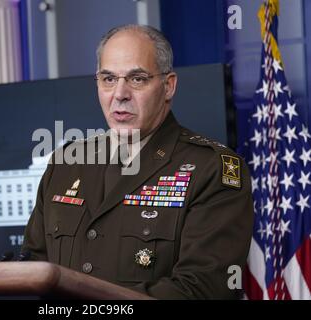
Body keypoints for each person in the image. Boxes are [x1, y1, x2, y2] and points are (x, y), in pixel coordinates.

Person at [21, 24, 254, 299]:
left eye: (137, 79)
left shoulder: (213, 168)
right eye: (108, 79)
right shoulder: (65, 163)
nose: (119, 94)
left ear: (168, 86)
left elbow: (203, 288)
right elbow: (32, 271)